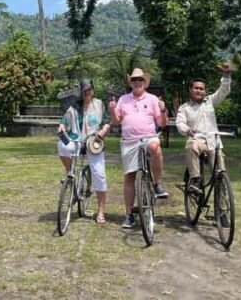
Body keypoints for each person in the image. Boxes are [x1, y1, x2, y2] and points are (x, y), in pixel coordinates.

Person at [109, 68, 169, 229]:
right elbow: (116, 122)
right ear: (131, 82)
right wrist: (112, 109)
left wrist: (163, 109)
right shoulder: (123, 99)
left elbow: (162, 123)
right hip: (129, 141)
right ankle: (129, 214)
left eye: (140, 80)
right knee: (129, 177)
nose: (137, 82)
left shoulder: (153, 99)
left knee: (155, 147)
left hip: (148, 137)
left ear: (145, 82)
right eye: (134, 80)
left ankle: (157, 184)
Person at [57, 79, 111, 224]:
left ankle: (100, 210)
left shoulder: (99, 104)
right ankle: (70, 173)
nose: (87, 93)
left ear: (93, 90)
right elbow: (64, 121)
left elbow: (107, 122)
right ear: (81, 92)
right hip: (77, 140)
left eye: (89, 90)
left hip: (94, 142)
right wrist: (62, 127)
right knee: (62, 146)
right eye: (85, 90)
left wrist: (102, 133)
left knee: (99, 174)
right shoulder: (74, 107)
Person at [175, 63, 232, 190]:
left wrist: (226, 74)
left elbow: (224, 90)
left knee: (221, 176)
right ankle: (195, 179)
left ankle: (222, 208)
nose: (199, 91)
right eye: (196, 88)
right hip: (198, 140)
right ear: (190, 89)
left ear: (205, 91)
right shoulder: (185, 108)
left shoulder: (210, 101)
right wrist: (187, 130)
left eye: (201, 89)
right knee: (191, 145)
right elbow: (180, 123)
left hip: (214, 142)